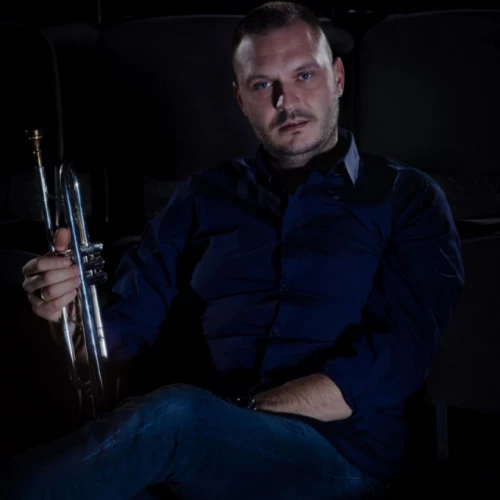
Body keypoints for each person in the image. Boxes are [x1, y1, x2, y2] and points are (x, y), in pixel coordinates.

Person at [2, 1, 464, 499]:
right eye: (263, 85)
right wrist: (65, 311)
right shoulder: (201, 197)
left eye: (304, 75)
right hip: (201, 449)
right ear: (240, 99)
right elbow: (117, 336)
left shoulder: (407, 198)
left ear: (337, 78)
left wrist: (237, 415)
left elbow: (395, 359)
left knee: (176, 418)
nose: (287, 101)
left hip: (338, 454)